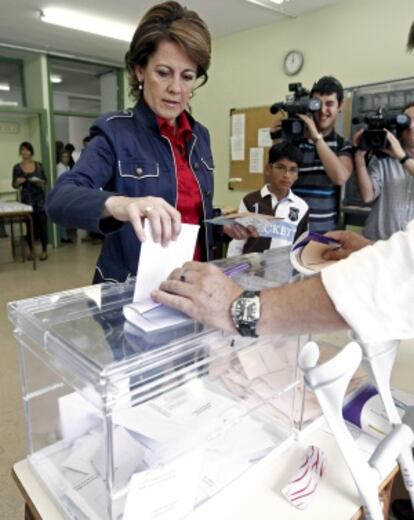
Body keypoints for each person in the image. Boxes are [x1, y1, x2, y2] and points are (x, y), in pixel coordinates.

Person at [46, 1, 214, 284]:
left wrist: (227, 226)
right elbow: (59, 200)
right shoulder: (115, 132)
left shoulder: (200, 136)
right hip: (131, 291)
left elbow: (192, 214)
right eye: (163, 73)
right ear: (139, 70)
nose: (176, 88)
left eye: (187, 77)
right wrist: (120, 204)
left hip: (191, 286)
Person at [273, 76, 354, 233]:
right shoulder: (294, 143)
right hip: (290, 231)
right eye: (317, 104)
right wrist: (277, 142)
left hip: (324, 234)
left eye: (330, 104)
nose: (323, 111)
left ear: (340, 106)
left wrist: (317, 138)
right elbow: (273, 184)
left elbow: (340, 177)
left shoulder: (343, 146)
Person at [227, 142, 309, 256]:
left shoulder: (302, 207)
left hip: (281, 271)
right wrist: (231, 271)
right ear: (268, 168)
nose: (286, 175)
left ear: (297, 174)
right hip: (250, 270)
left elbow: (300, 247)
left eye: (292, 170)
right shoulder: (250, 201)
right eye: (280, 167)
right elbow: (238, 242)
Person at [353, 102, 414, 240]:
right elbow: (367, 196)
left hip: (409, 250)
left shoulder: (398, 156)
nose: (411, 126)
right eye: (406, 122)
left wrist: (401, 157)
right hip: (377, 243)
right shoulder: (384, 159)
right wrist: (359, 157)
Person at [12, 142, 48, 261]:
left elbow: (45, 181)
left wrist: (40, 182)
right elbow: (14, 185)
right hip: (26, 200)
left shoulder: (39, 165)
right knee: (30, 226)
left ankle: (44, 250)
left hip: (40, 199)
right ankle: (32, 251)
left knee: (42, 225)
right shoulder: (17, 167)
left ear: (31, 152)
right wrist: (18, 182)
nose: (25, 152)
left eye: (27, 150)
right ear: (20, 152)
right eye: (22, 150)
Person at [56, 150, 73, 243]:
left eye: (67, 157)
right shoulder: (59, 167)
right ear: (60, 158)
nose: (66, 159)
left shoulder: (68, 167)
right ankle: (63, 236)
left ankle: (64, 235)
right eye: (64, 157)